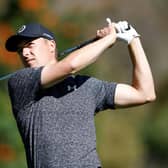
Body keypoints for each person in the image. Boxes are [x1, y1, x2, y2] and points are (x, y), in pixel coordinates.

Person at [5, 19, 156, 168]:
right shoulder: (20, 82)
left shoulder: (87, 86)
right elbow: (71, 65)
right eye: (20, 50)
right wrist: (109, 39)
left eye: (30, 45)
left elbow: (145, 93)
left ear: (51, 45)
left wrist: (133, 39)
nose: (24, 53)